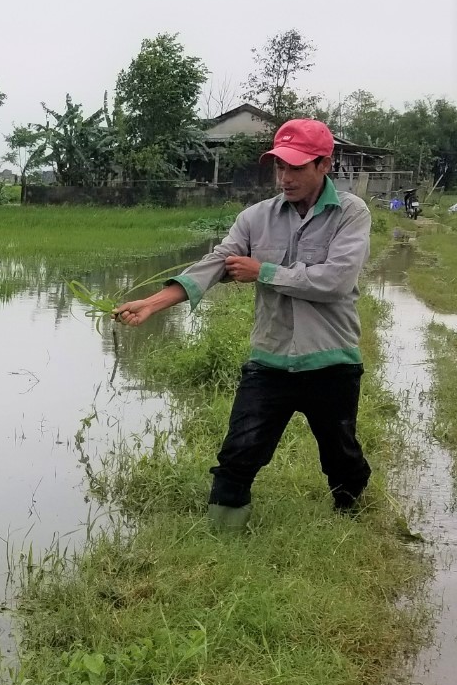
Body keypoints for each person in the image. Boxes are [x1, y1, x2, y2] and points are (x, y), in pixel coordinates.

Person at [114, 119, 372, 532]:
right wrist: (153, 303)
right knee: (238, 455)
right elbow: (216, 263)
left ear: (324, 164)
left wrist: (264, 272)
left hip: (331, 361)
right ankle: (222, 539)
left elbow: (336, 281)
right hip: (269, 361)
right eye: (279, 167)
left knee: (340, 455)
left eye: (296, 167)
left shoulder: (350, 213)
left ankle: (349, 515)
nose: (285, 177)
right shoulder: (256, 218)